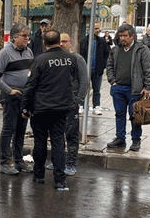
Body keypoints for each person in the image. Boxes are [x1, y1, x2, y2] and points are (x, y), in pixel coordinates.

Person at [21, 29, 78, 190]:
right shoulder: (70, 59)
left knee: (40, 142)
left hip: (42, 108)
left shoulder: (40, 60)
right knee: (58, 142)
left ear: (45, 43)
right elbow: (72, 79)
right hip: (62, 108)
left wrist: (25, 107)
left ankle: (39, 175)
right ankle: (60, 179)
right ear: (60, 41)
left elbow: (30, 85)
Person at [0, 23, 34, 175]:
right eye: (24, 36)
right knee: (9, 129)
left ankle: (18, 160)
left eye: (28, 36)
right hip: (11, 97)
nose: (27, 38)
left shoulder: (29, 52)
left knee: (21, 129)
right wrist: (10, 91)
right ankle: (4, 162)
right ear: (15, 37)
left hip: (25, 96)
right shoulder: (5, 53)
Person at [45, 33, 89, 176]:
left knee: (71, 135)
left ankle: (71, 163)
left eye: (65, 41)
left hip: (71, 103)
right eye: (60, 42)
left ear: (70, 42)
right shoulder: (56, 59)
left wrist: (78, 100)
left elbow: (84, 81)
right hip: (55, 104)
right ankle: (58, 160)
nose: (62, 44)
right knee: (56, 134)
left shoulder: (77, 59)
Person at [106, 24, 150, 152]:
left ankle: (136, 139)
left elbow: (148, 69)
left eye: (125, 36)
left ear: (132, 36)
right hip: (118, 88)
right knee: (119, 114)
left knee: (135, 116)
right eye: (120, 36)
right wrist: (112, 82)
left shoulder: (141, 50)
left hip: (135, 89)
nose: (122, 38)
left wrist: (147, 86)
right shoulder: (115, 50)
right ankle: (120, 138)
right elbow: (109, 66)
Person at [80, 22, 110, 115]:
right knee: (84, 88)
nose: (97, 30)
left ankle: (96, 106)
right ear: (89, 29)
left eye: (98, 28)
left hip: (97, 69)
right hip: (86, 69)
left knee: (96, 89)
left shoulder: (102, 41)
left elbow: (107, 54)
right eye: (95, 28)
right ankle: (82, 105)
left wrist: (102, 65)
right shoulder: (83, 41)